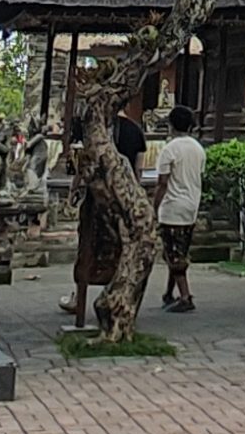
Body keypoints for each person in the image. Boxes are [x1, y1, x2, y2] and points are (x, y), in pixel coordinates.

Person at [60, 111, 148, 329]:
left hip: (96, 198)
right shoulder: (135, 131)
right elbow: (139, 170)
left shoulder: (92, 129)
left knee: (89, 247)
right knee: (119, 250)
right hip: (122, 200)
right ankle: (117, 294)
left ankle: (80, 297)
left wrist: (75, 188)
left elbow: (84, 164)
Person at [151, 105, 206, 314]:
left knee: (174, 254)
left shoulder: (170, 149)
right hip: (191, 204)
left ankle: (185, 296)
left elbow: (162, 183)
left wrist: (154, 206)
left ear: (171, 125)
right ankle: (169, 293)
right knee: (176, 252)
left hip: (172, 207)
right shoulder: (197, 148)